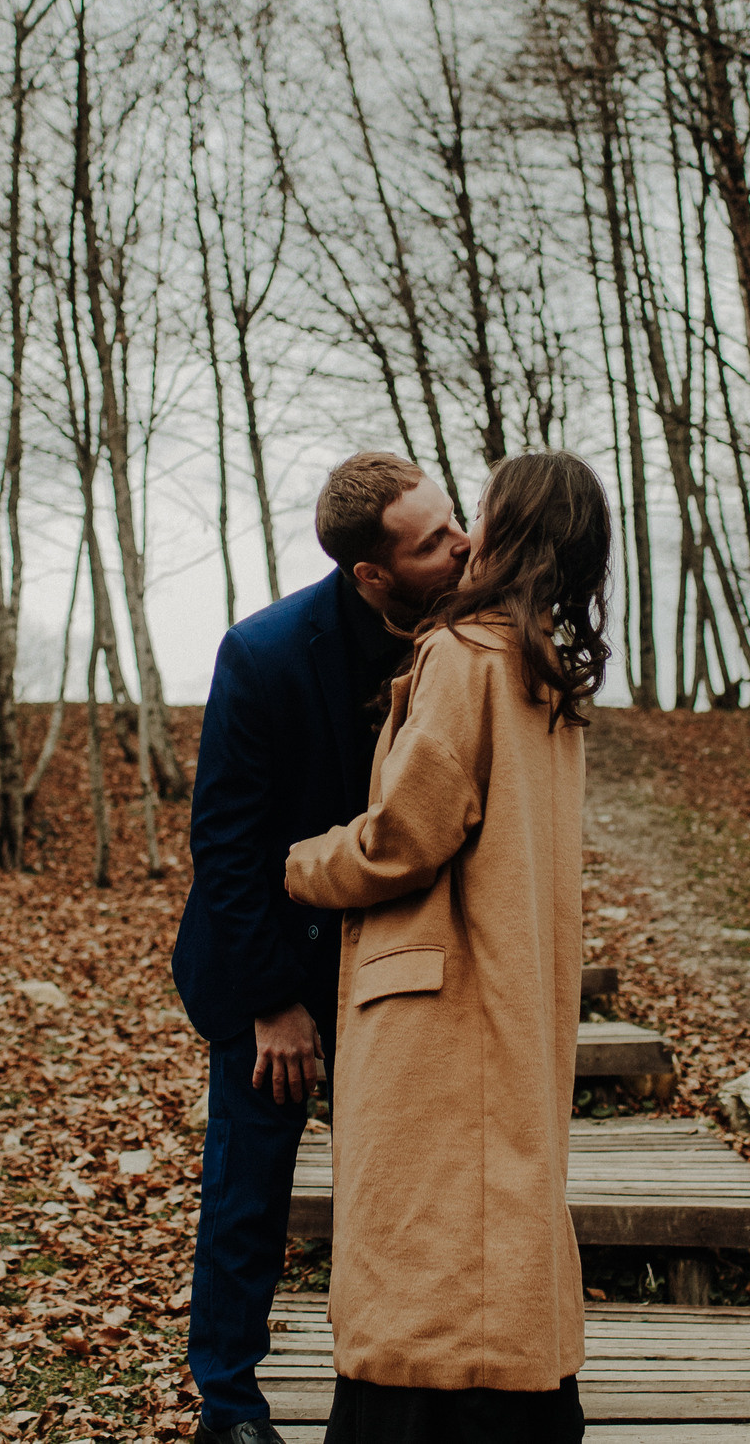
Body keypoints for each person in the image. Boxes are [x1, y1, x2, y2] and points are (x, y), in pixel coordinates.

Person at [284, 450, 614, 1444]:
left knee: (424, 1257)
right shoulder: (544, 669)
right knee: (496, 1230)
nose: (467, 535)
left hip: (440, 1006)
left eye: (480, 512)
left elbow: (405, 837)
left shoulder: (466, 654)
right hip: (509, 990)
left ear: (509, 530)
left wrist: (304, 862)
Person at [172, 451, 471, 1444]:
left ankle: (391, 1394)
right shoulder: (262, 654)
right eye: (433, 541)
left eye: (454, 519)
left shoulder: (464, 641)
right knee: (249, 1192)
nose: (461, 544)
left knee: (403, 1196)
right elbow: (224, 843)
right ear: (371, 573)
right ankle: (228, 1403)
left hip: (400, 966)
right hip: (274, 965)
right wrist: (272, 1002)